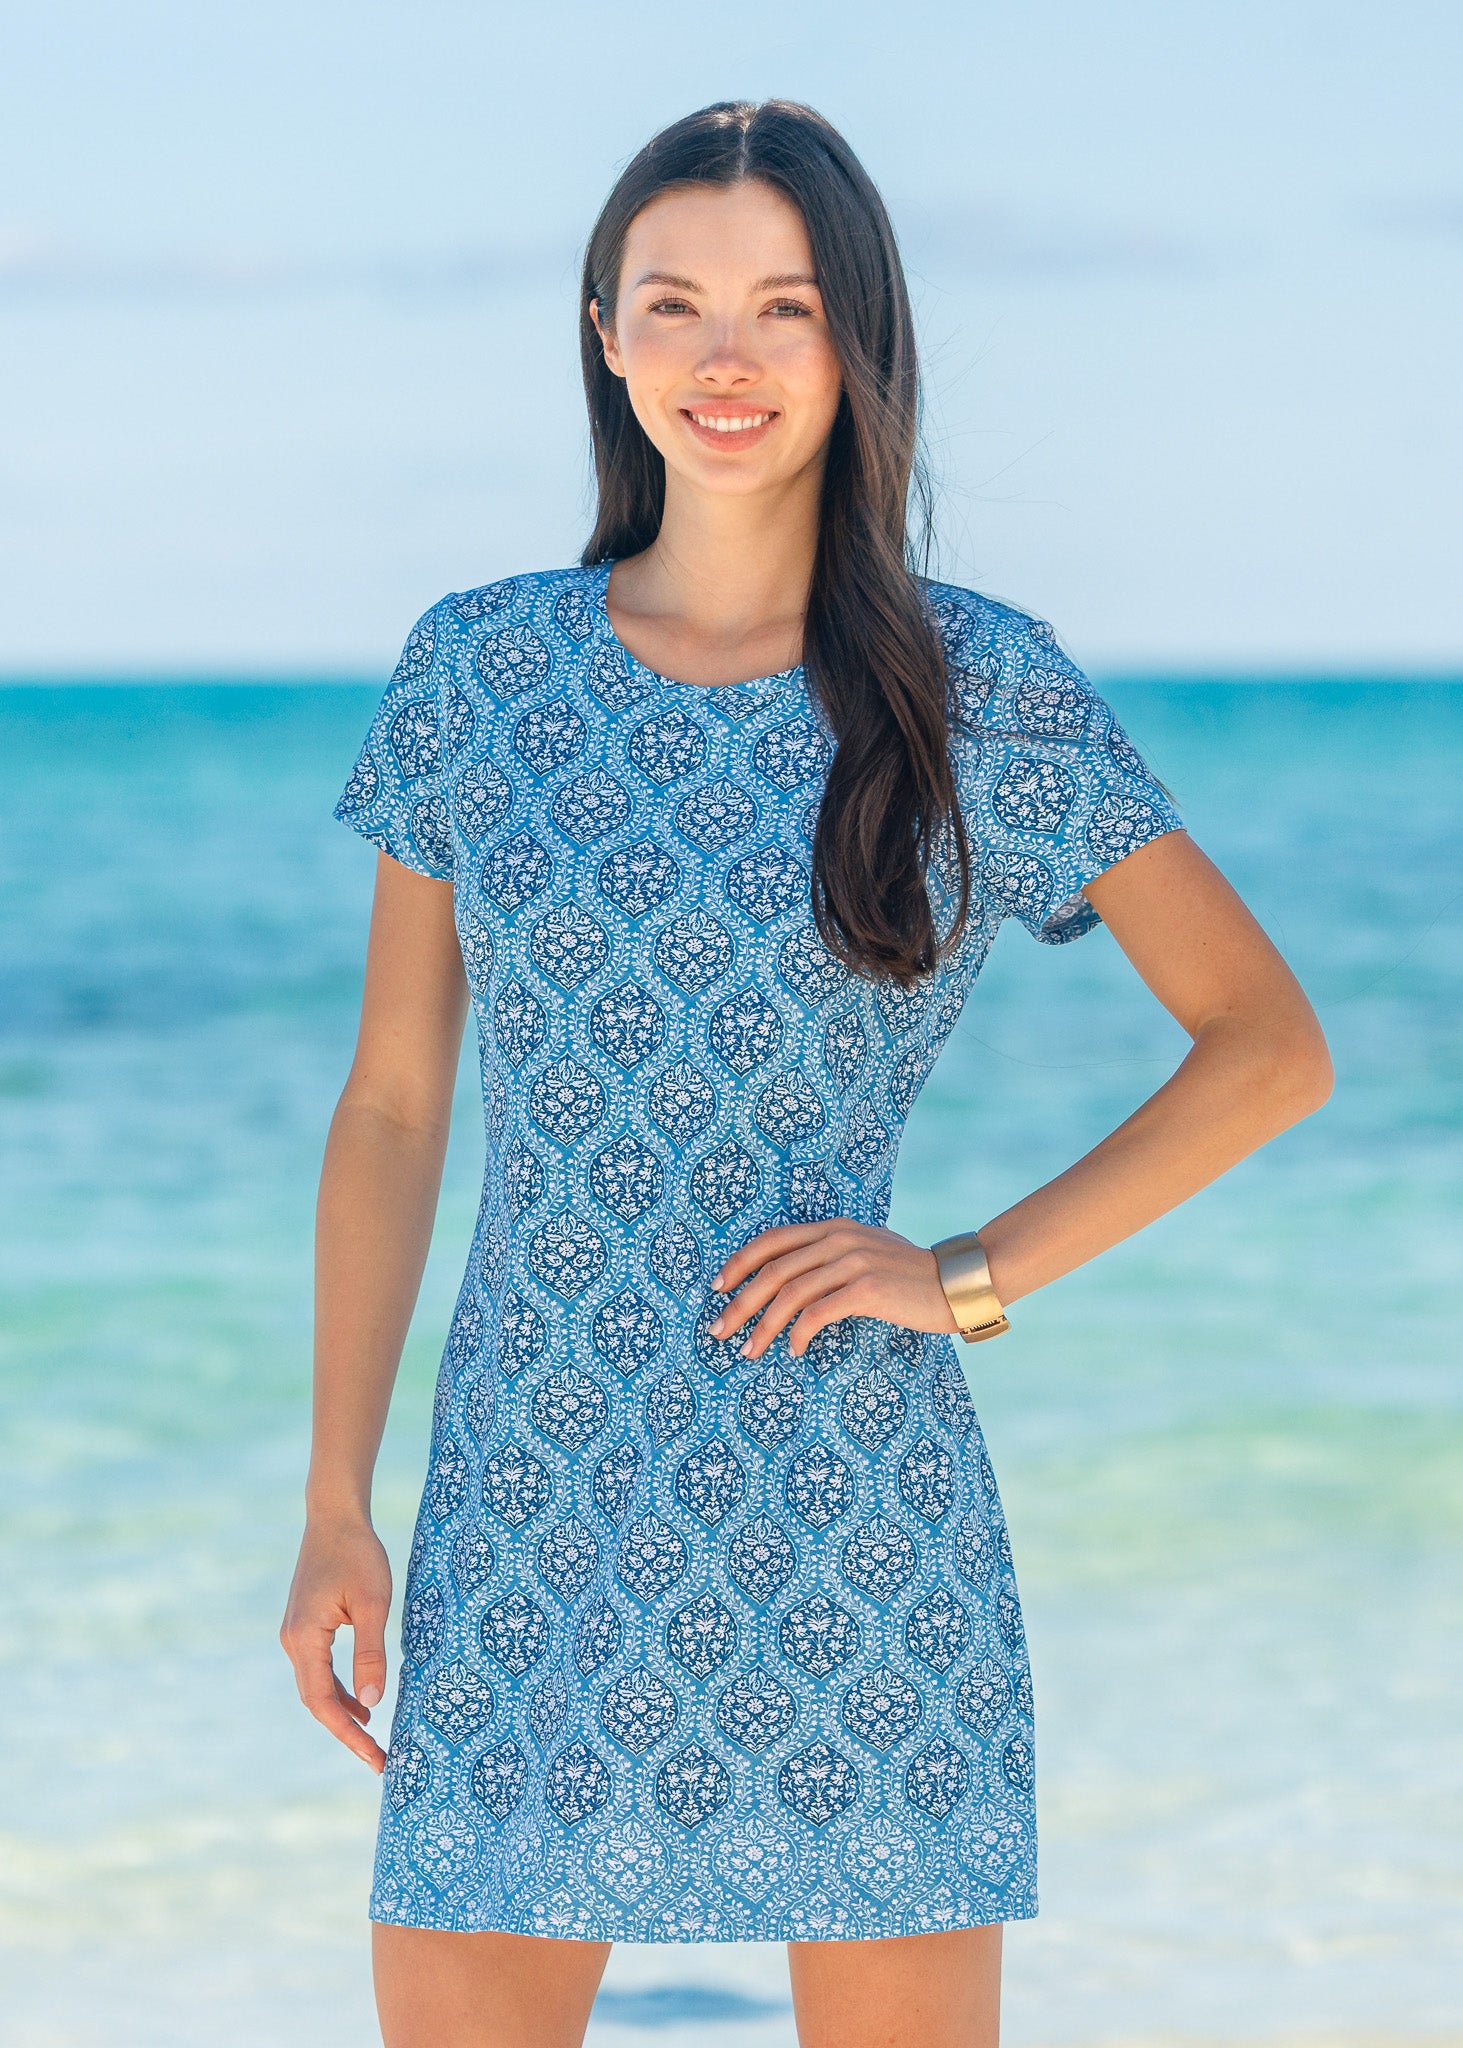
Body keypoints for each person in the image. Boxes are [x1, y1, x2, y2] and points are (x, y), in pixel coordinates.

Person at [279, 98, 1333, 2048]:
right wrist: (337, 1494)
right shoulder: (480, 673)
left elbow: (1267, 1045)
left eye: (786, 307)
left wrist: (966, 1275)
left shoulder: (973, 685)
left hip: (853, 1518)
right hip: (531, 1506)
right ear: (605, 334)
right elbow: (396, 1107)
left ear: (860, 342)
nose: (729, 356)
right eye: (675, 305)